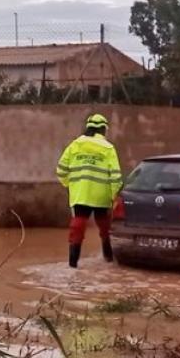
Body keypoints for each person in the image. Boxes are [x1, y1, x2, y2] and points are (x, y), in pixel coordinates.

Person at [56, 112, 122, 268]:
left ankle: (72, 265)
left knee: (77, 228)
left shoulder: (74, 145)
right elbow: (116, 177)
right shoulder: (108, 148)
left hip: (80, 195)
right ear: (104, 130)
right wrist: (114, 197)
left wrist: (70, 185)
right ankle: (109, 260)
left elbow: (60, 170)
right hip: (102, 197)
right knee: (105, 229)